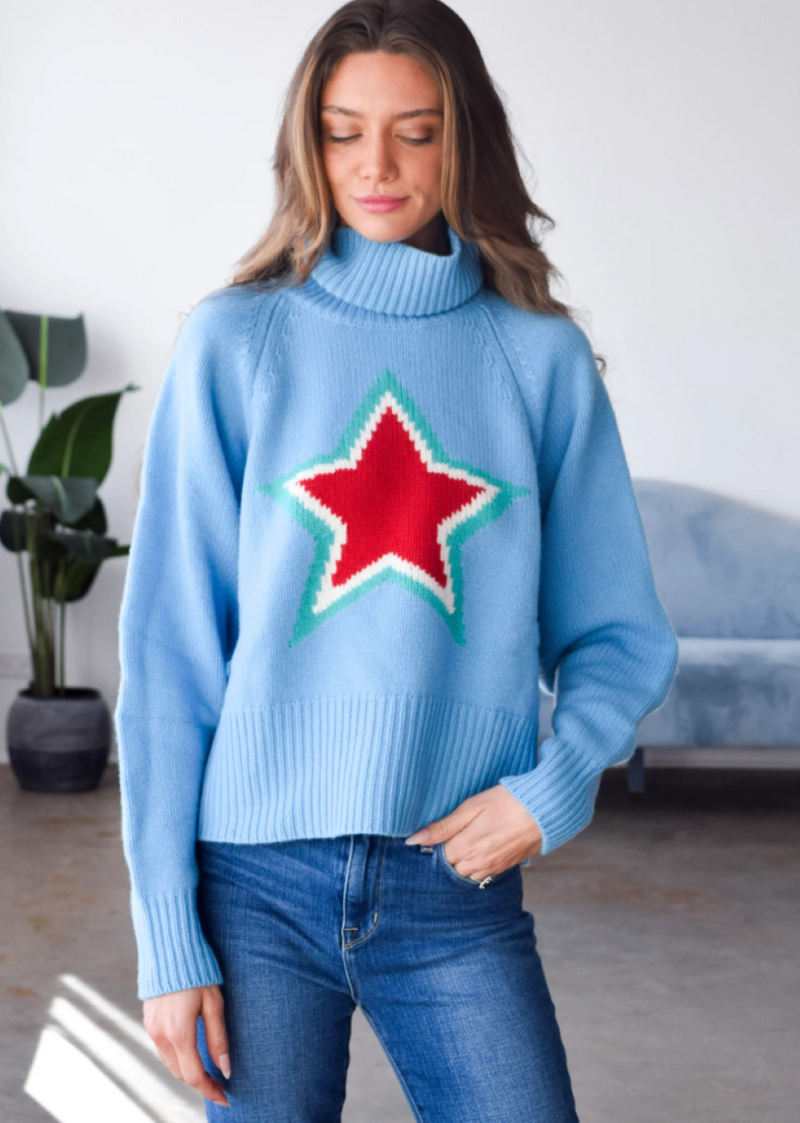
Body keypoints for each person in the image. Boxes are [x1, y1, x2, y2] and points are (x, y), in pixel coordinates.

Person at [114, 1, 679, 1120]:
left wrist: (554, 787)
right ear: (307, 144)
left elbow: (619, 634)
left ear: (464, 139)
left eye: (415, 132)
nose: (376, 165)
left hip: (454, 885)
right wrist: (167, 934)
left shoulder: (538, 360)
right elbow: (170, 652)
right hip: (251, 886)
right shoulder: (235, 342)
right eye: (343, 132)